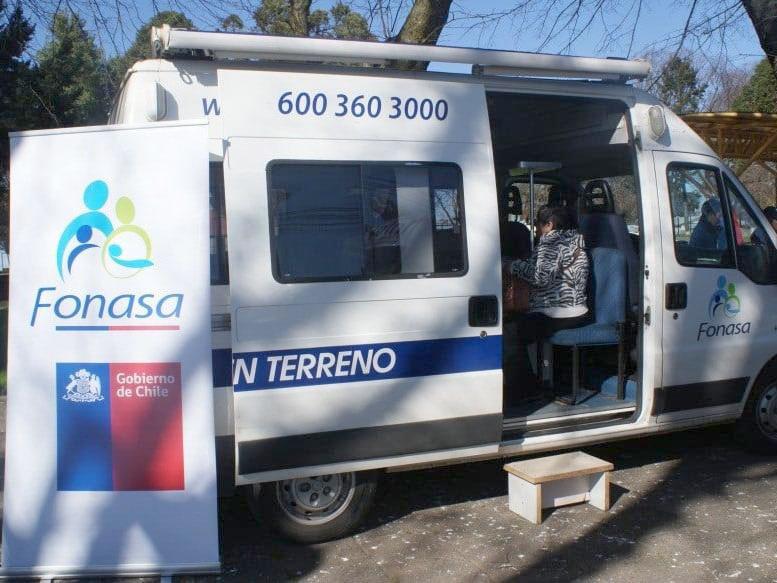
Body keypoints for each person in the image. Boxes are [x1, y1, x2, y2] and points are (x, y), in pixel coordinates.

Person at [503, 206, 589, 404]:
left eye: (538, 224)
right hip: (576, 311)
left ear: (549, 224)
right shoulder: (573, 240)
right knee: (516, 324)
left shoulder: (552, 242)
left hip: (558, 312)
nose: (536, 229)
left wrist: (511, 265)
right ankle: (531, 382)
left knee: (508, 331)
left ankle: (526, 390)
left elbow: (540, 277)